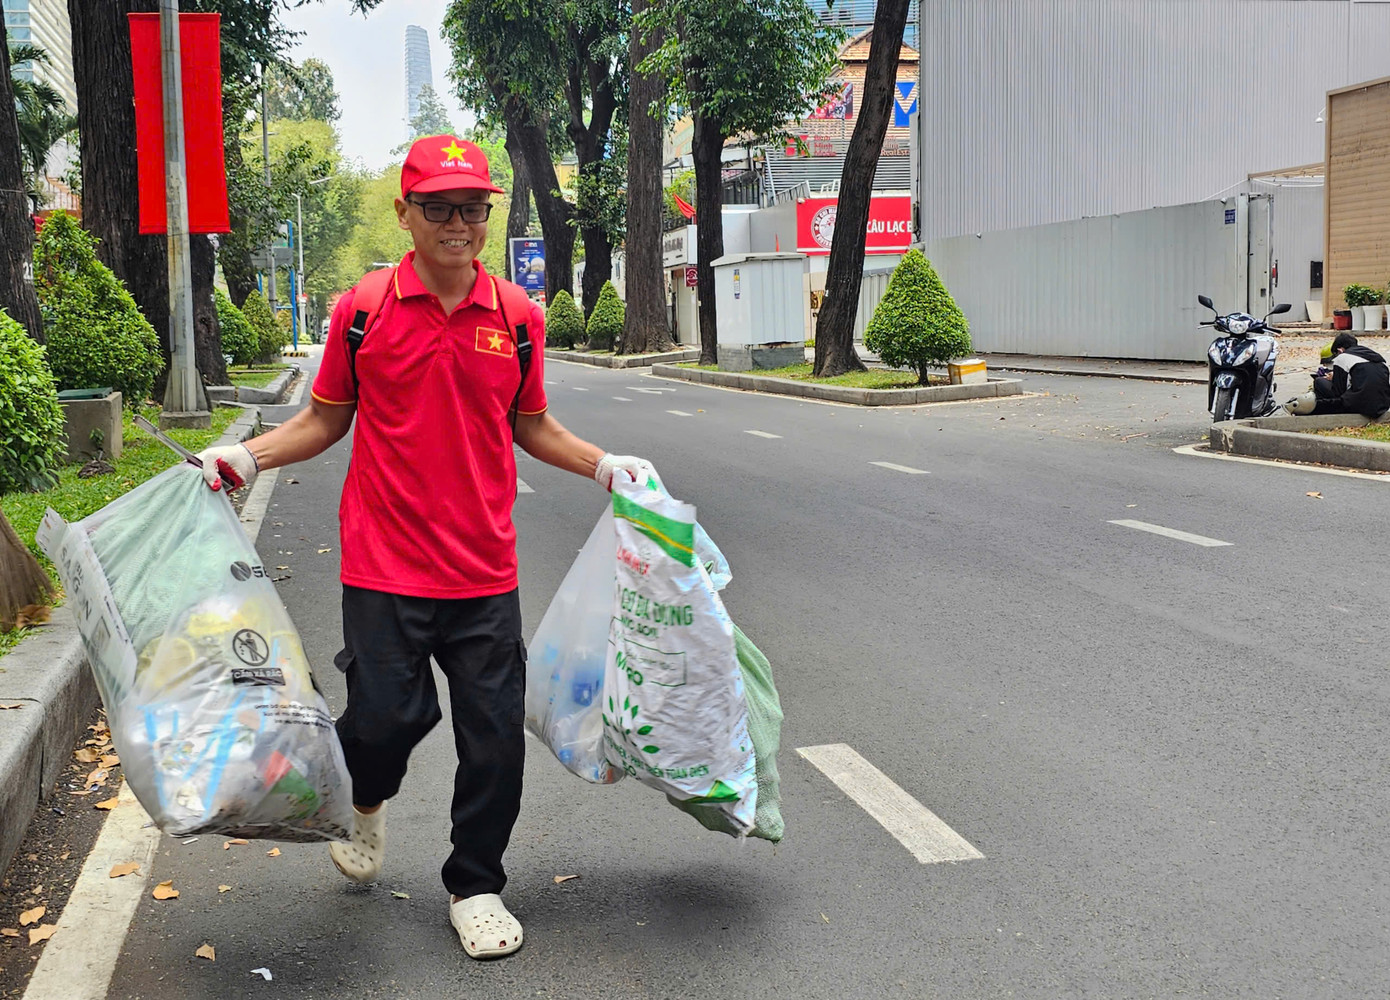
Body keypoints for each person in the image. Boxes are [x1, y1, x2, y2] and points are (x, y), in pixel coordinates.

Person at [195, 134, 656, 960]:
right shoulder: (363, 309)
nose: (458, 223)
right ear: (405, 213)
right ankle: (366, 798)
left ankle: (474, 883)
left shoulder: (517, 317)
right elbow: (325, 419)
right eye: (439, 206)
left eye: (473, 208)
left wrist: (606, 466)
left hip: (484, 572)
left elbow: (532, 426)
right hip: (384, 566)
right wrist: (245, 454)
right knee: (381, 723)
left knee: (492, 741)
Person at [1286, 332, 1390, 418]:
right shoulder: (1378, 358)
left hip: (1359, 405)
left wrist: (1333, 378)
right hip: (1382, 405)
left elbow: (1339, 391)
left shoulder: (1343, 357)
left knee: (1319, 381)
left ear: (1340, 350)